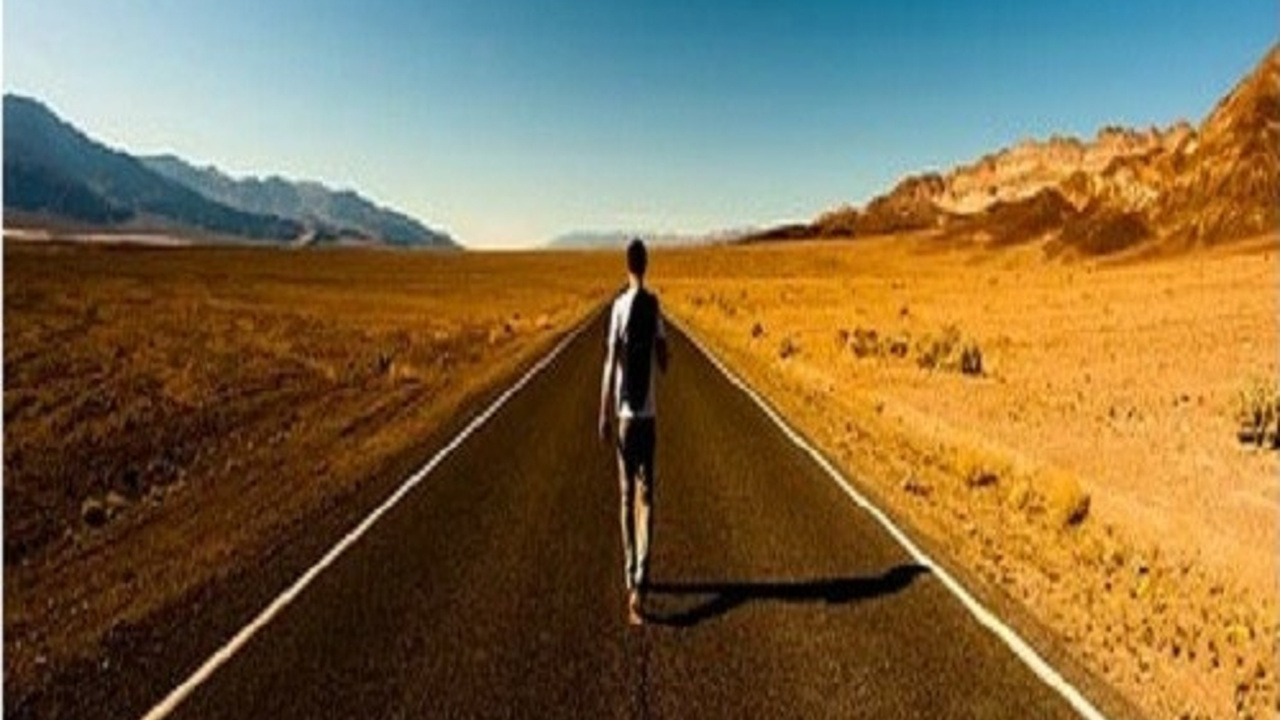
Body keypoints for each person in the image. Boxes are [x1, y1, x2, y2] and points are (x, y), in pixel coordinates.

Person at [599, 238, 669, 626]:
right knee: (648, 495)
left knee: (626, 496)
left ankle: (630, 580)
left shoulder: (619, 308)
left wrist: (603, 412)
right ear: (647, 265)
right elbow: (664, 362)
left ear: (627, 266)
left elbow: (610, 362)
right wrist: (659, 347)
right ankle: (643, 574)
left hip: (625, 415)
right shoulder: (654, 305)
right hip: (649, 416)